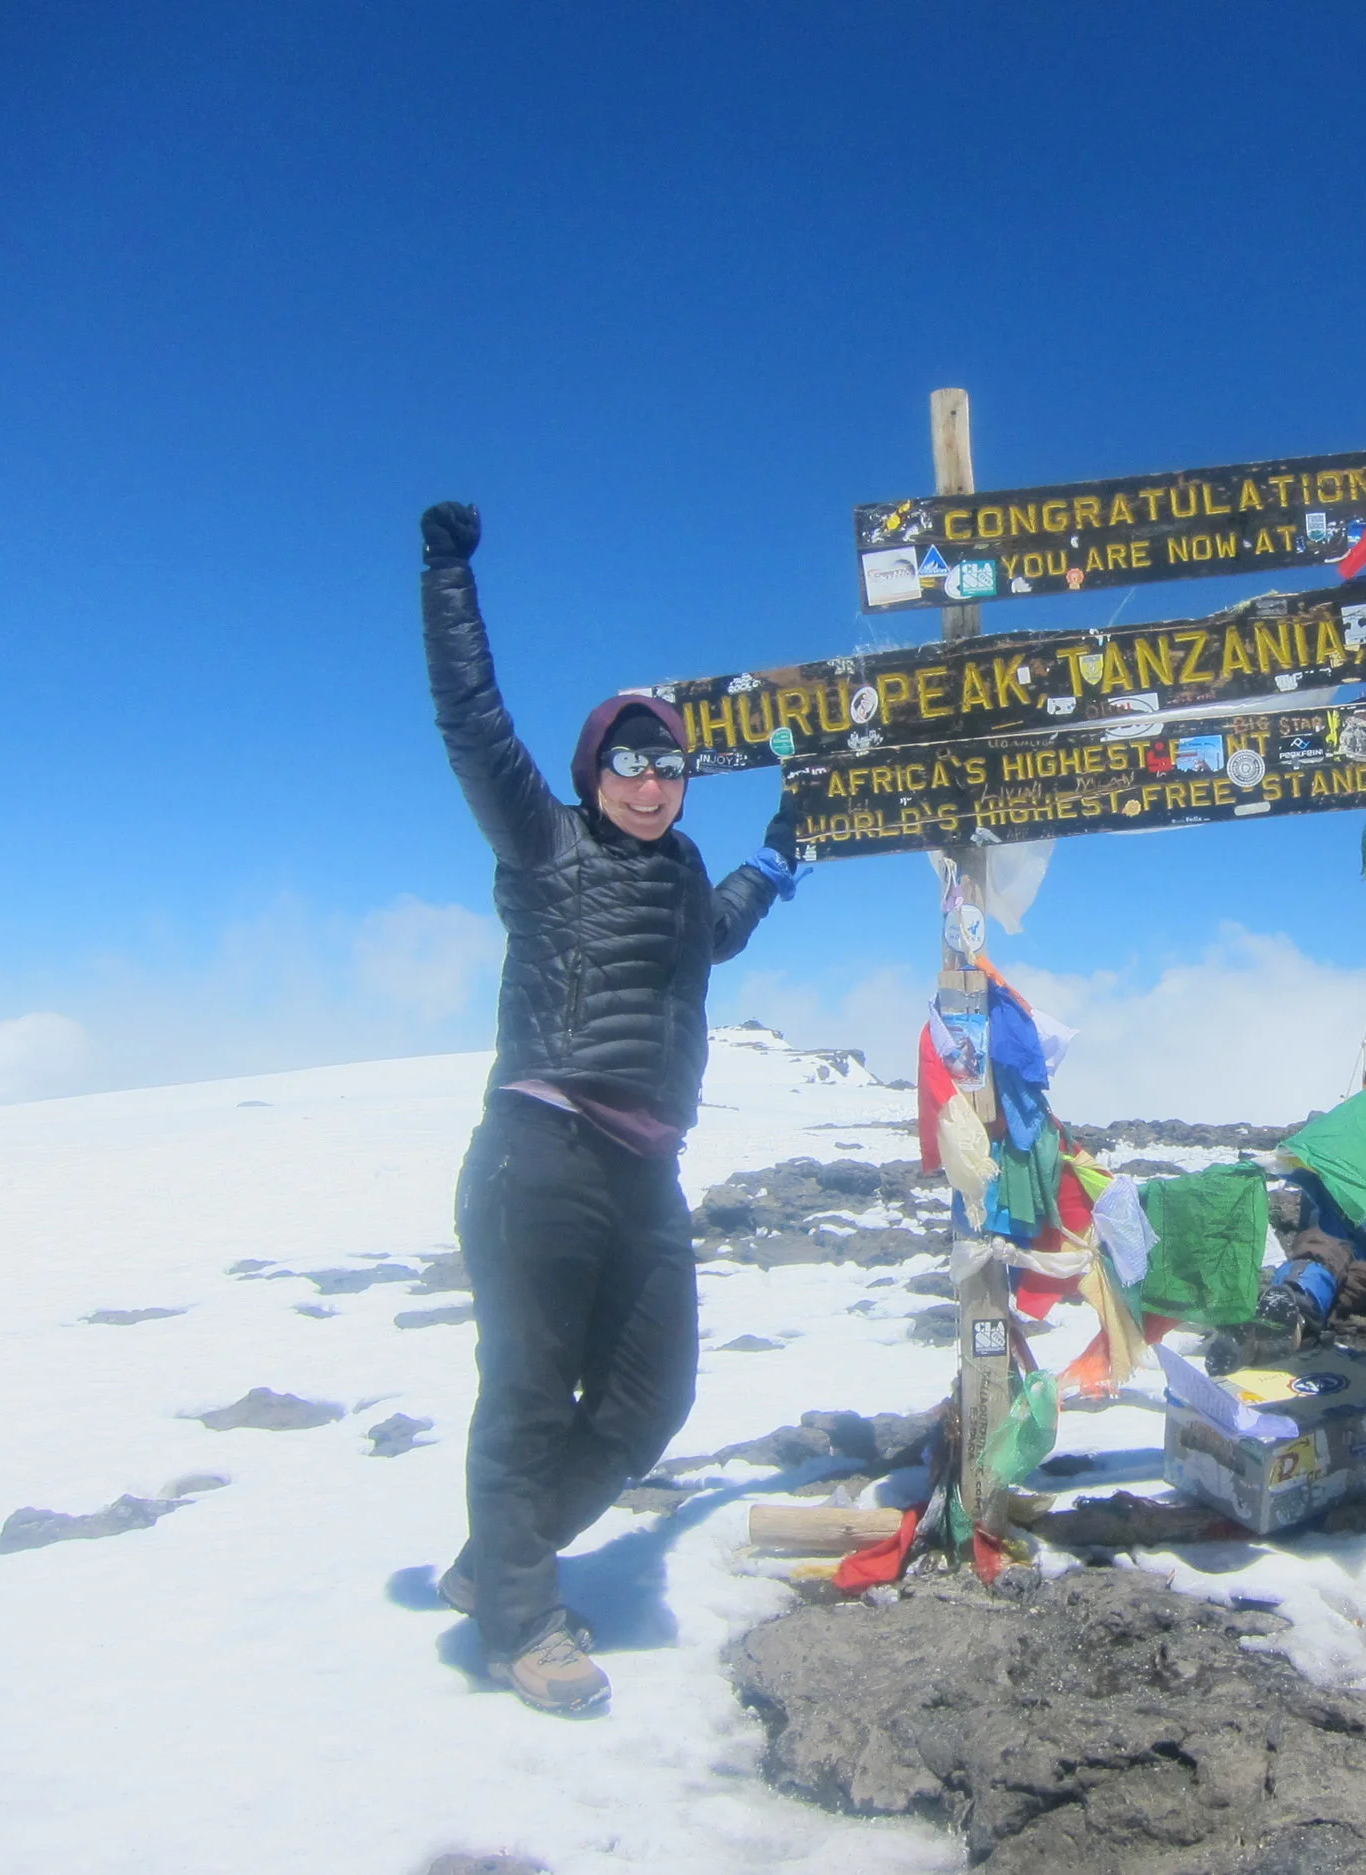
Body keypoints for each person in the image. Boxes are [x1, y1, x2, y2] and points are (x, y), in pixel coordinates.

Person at [417, 500, 799, 1715]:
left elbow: (715, 934)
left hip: (645, 1170)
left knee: (652, 1397)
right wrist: (448, 576)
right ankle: (520, 1622)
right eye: (629, 761)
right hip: (541, 1154)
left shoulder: (681, 872)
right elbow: (474, 726)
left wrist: (786, 851)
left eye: (668, 763)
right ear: (595, 772)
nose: (650, 780)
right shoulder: (543, 844)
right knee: (529, 1393)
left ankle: (497, 1562)